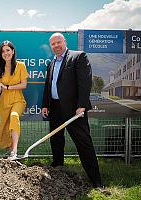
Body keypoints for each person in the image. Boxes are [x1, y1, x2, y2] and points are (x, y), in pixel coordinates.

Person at [41, 33, 103, 188]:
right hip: (55, 108)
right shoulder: (52, 63)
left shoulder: (78, 57)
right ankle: (58, 168)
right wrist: (45, 105)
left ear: (64, 42)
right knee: (56, 140)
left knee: (83, 143)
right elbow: (48, 86)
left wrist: (81, 105)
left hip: (74, 110)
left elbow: (85, 83)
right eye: (53, 44)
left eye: (58, 42)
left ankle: (96, 181)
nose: (56, 45)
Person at [0, 40, 28, 160]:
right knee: (6, 126)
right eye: (3, 51)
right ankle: (10, 156)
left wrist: (7, 87)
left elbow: (24, 85)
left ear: (13, 51)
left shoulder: (21, 66)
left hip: (18, 99)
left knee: (14, 116)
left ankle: (14, 151)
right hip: (4, 101)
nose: (5, 53)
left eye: (8, 50)